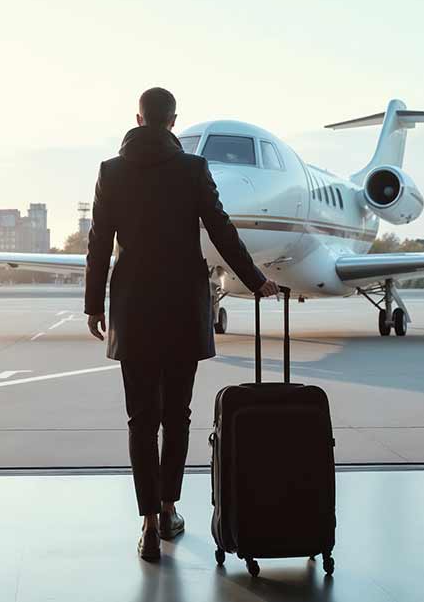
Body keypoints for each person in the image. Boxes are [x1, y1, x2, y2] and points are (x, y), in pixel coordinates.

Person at [84, 87, 279, 561]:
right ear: (173, 121)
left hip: (132, 309)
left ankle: (147, 522)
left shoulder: (112, 171)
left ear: (138, 117)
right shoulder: (192, 169)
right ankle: (169, 507)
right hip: (180, 310)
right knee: (177, 416)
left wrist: (93, 305)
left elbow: (98, 244)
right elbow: (220, 228)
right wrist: (254, 281)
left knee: (139, 420)